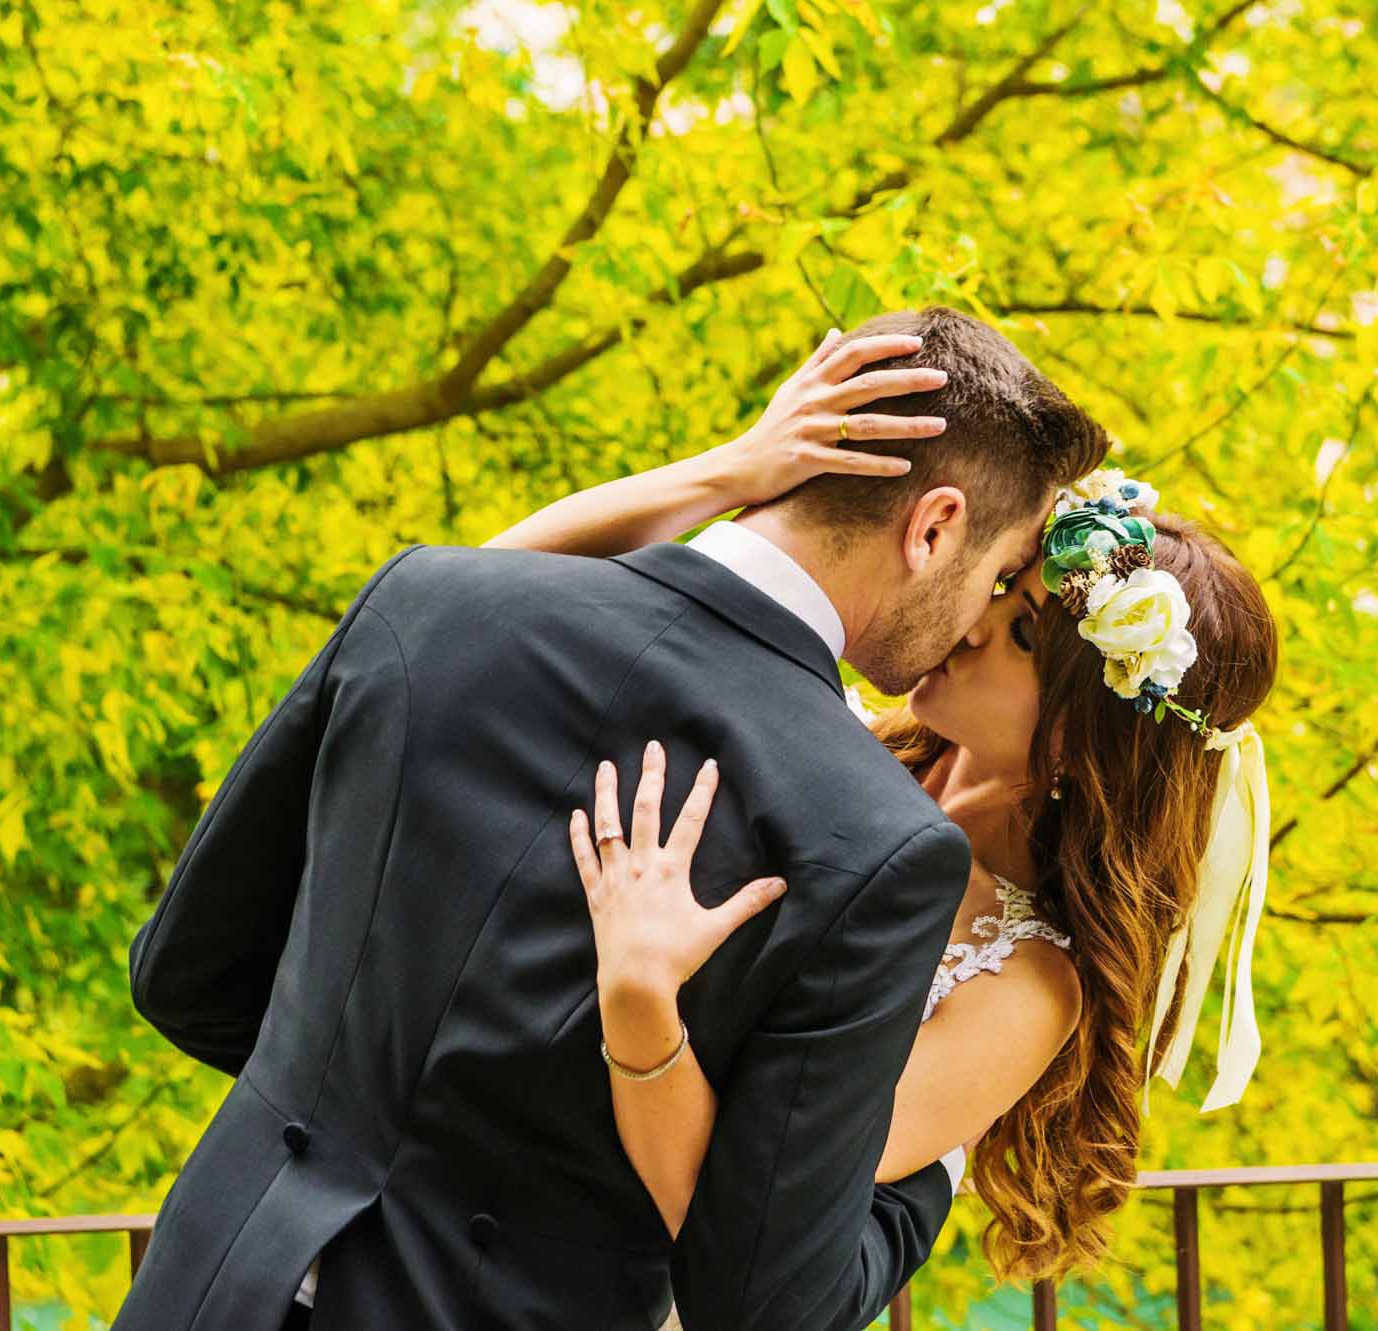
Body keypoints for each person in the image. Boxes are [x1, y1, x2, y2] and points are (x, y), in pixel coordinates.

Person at [115, 305, 1110, 1331]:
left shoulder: (429, 600)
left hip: (209, 1287)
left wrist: (337, 1106)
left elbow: (186, 976)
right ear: (934, 524)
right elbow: (762, 1299)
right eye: (993, 575)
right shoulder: (875, 843)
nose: (974, 614)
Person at [522, 427, 1280, 1326]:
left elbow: (751, 1221)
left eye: (1025, 634)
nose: (974, 623)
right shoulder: (824, 722)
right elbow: (498, 594)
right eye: (1002, 586)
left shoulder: (1027, 982)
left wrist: (642, 1002)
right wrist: (730, 472)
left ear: (1087, 734)